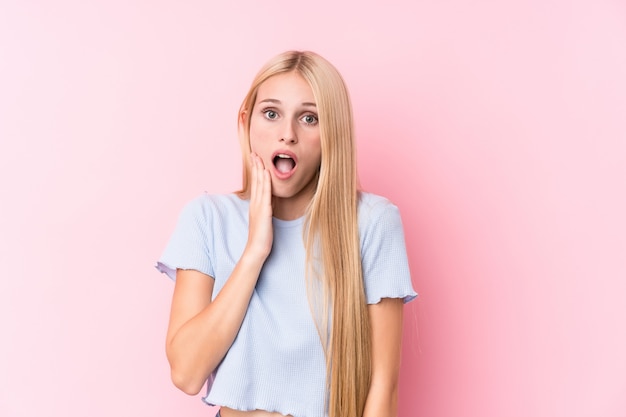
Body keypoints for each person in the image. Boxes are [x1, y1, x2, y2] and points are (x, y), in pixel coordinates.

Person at [156, 50, 417, 417]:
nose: (287, 134)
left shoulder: (373, 223)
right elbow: (186, 373)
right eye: (271, 114)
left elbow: (382, 388)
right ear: (246, 123)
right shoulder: (208, 218)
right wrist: (255, 252)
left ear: (332, 134)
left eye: (309, 118)